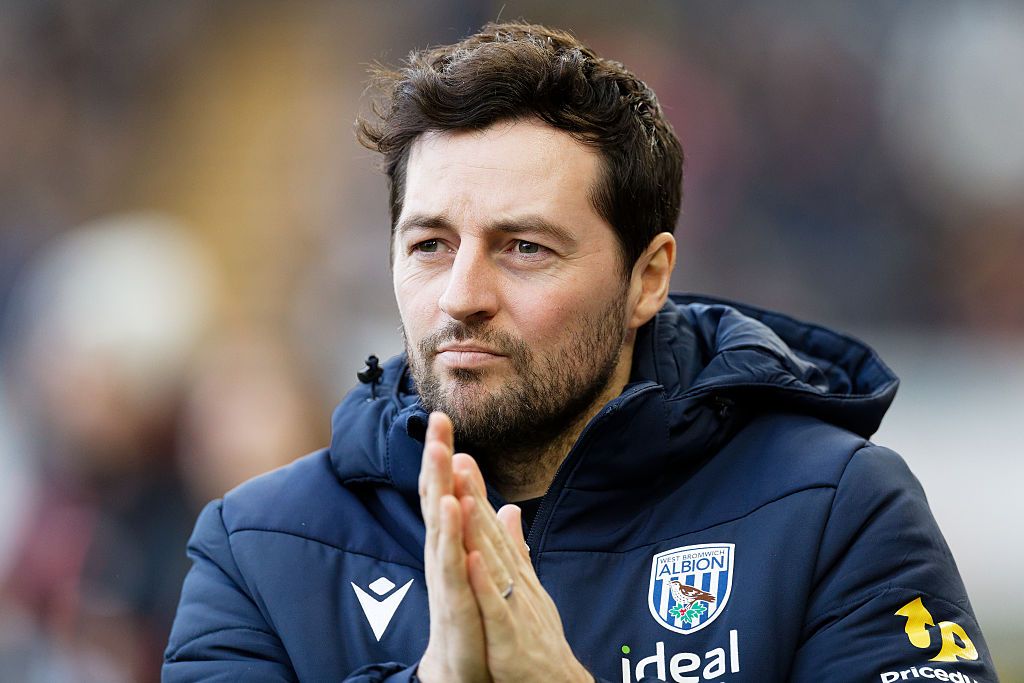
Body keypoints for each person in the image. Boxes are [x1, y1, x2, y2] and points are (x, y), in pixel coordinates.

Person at [163, 22, 997, 683]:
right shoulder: (259, 548)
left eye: (525, 247)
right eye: (429, 245)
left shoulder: (835, 511)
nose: (461, 295)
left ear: (647, 279)